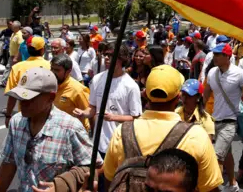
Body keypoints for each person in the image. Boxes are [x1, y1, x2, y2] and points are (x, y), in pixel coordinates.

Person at [102, 65, 223, 192]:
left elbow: (109, 179)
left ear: (146, 96)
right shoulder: (196, 135)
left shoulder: (122, 132)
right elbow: (209, 187)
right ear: (178, 97)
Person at [0, 67, 99, 192]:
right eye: (20, 97)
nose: (22, 103)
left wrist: (61, 185)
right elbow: (8, 164)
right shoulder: (16, 122)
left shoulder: (70, 128)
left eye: (29, 98)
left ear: (50, 98)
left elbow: (96, 167)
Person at [73, 43, 141, 190]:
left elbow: (136, 117)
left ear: (122, 59)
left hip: (121, 144)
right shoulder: (97, 79)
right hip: (99, 144)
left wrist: (114, 117)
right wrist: (84, 113)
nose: (106, 58)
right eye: (106, 55)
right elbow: (92, 108)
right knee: (99, 182)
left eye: (111, 55)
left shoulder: (131, 86)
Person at [203, 43, 243, 192]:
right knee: (227, 154)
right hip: (214, 121)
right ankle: (232, 184)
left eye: (218, 55)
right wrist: (199, 112)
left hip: (231, 122)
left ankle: (212, 189)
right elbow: (205, 94)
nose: (215, 57)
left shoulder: (240, 74)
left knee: (217, 156)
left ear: (227, 57)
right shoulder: (212, 72)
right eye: (214, 54)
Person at [0, 37, 51, 123]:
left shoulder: (17, 68)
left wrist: (8, 115)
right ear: (42, 50)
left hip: (25, 114)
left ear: (27, 49)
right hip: (46, 113)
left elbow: (12, 95)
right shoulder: (50, 66)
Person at [50, 54, 91, 131]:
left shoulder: (78, 89)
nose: (53, 72)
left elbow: (89, 114)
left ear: (68, 71)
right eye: (52, 69)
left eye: (57, 70)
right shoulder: (49, 85)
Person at [1, 21, 23, 87]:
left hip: (16, 56)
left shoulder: (19, 35)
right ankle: (7, 81)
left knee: (10, 68)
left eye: (13, 26)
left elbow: (20, 46)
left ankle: (5, 82)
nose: (11, 27)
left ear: (17, 27)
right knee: (10, 68)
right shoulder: (13, 33)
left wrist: (16, 57)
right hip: (12, 55)